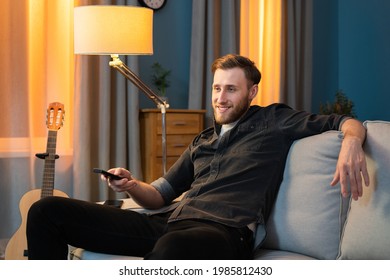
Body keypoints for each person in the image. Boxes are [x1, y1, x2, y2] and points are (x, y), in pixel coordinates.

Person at [26, 54, 369, 260]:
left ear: (251, 92)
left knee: (174, 246)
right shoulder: (203, 140)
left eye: (231, 89)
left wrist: (352, 142)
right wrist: (130, 184)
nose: (221, 98)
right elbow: (159, 194)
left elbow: (345, 121)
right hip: (170, 223)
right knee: (47, 211)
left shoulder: (273, 119)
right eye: (217, 88)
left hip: (225, 232)